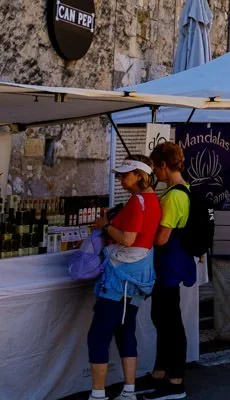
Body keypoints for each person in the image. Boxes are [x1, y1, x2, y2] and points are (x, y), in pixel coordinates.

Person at [87, 156, 162, 400]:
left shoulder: (138, 201)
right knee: (124, 330)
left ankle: (98, 394)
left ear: (140, 175)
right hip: (137, 275)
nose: (120, 178)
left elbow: (128, 238)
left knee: (99, 334)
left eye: (124, 174)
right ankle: (128, 390)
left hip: (122, 276)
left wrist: (105, 225)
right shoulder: (151, 200)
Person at [145, 143, 197, 400]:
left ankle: (175, 382)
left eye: (155, 166)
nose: (155, 171)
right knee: (162, 319)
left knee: (170, 323)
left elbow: (162, 238)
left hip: (168, 266)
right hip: (168, 266)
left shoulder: (175, 195)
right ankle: (160, 373)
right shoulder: (177, 191)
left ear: (164, 165)